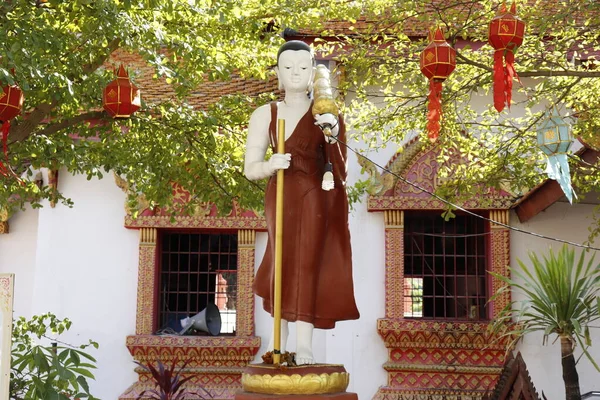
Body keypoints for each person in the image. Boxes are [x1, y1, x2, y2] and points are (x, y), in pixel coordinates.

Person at [244, 40, 359, 365]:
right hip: (281, 191)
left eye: (303, 67)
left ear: (313, 73)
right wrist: (270, 164)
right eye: (288, 67)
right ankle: (276, 340)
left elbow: (340, 167)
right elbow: (250, 168)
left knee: (309, 262)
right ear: (278, 73)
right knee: (281, 258)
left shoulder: (326, 113)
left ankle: (304, 344)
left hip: (315, 195)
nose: (296, 73)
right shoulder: (266, 113)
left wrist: (332, 133)